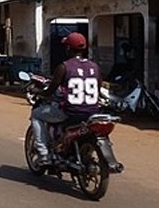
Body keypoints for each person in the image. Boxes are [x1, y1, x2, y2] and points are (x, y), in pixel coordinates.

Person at [29, 32, 103, 165]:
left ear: (68, 49)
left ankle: (44, 154)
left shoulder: (64, 67)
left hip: (70, 112)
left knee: (36, 115)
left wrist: (37, 91)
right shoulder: (95, 67)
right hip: (92, 112)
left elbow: (50, 91)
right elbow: (98, 88)